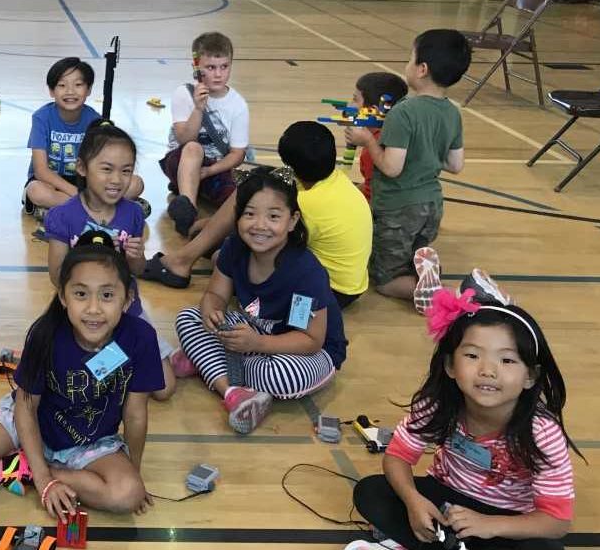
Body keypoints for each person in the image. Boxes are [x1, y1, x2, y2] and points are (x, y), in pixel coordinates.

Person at [0, 231, 162, 517]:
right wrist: (45, 483)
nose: (93, 308)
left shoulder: (139, 338)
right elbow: (26, 407)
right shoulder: (45, 334)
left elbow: (136, 412)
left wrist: (135, 473)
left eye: (107, 295)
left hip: (90, 441)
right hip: (33, 422)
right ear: (64, 297)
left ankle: (22, 467)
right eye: (80, 294)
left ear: (127, 299)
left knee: (126, 495)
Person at [350, 287, 579, 550]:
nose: (488, 371)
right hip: (447, 504)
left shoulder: (541, 432)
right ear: (450, 365)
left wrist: (488, 525)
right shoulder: (438, 404)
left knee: (546, 548)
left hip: (506, 520)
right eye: (472, 356)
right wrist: (413, 501)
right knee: (370, 492)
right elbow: (397, 456)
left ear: (530, 376)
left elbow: (557, 522)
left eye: (506, 360)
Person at [174, 168, 347, 435]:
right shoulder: (234, 248)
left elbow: (309, 339)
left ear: (292, 221)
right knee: (188, 317)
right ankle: (232, 392)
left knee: (281, 376)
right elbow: (215, 295)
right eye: (249, 214)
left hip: (307, 350)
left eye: (274, 216)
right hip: (255, 335)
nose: (260, 225)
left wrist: (256, 344)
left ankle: (210, 364)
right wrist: (211, 312)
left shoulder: (304, 272)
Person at [143, 122, 372, 312]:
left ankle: (183, 260)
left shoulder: (307, 204)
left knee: (226, 255)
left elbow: (261, 235)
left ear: (291, 166)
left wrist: (216, 232)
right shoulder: (336, 180)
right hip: (352, 287)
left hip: (325, 291)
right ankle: (192, 253)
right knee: (254, 190)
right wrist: (210, 225)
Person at [42, 123, 176, 400]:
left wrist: (135, 258)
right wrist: (84, 259)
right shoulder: (63, 217)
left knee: (164, 389)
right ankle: (116, 361)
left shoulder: (133, 214)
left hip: (126, 312)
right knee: (81, 383)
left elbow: (135, 272)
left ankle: (121, 359)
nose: (117, 179)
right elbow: (57, 276)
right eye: (106, 169)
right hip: (83, 314)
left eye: (126, 170)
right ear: (82, 167)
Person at [346, 29, 470, 314]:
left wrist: (368, 141)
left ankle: (439, 295)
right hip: (432, 205)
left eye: (410, 58)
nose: (407, 65)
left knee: (383, 279)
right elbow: (455, 165)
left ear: (422, 69)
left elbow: (391, 167)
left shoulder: (403, 112)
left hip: (398, 207)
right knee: (407, 247)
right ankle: (422, 265)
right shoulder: (452, 111)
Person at [24, 58, 146, 217]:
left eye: (78, 84)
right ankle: (101, 209)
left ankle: (70, 211)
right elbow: (41, 170)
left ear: (88, 89)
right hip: (51, 182)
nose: (70, 91)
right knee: (36, 191)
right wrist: (77, 195)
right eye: (62, 85)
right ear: (51, 91)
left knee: (136, 184)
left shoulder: (94, 120)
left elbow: (100, 163)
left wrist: (94, 189)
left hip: (84, 181)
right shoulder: (41, 118)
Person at [161, 31, 249, 237]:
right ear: (197, 68)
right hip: (180, 159)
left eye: (224, 67)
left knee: (239, 199)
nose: (218, 74)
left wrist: (210, 171)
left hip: (214, 168)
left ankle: (211, 222)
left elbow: (237, 154)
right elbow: (184, 139)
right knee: (193, 148)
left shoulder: (238, 104)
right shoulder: (184, 93)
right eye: (211, 68)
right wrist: (198, 109)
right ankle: (188, 210)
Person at [353, 72, 410, 201]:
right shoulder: (396, 133)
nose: (351, 105)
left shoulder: (373, 146)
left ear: (373, 110)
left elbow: (372, 194)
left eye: (355, 99)